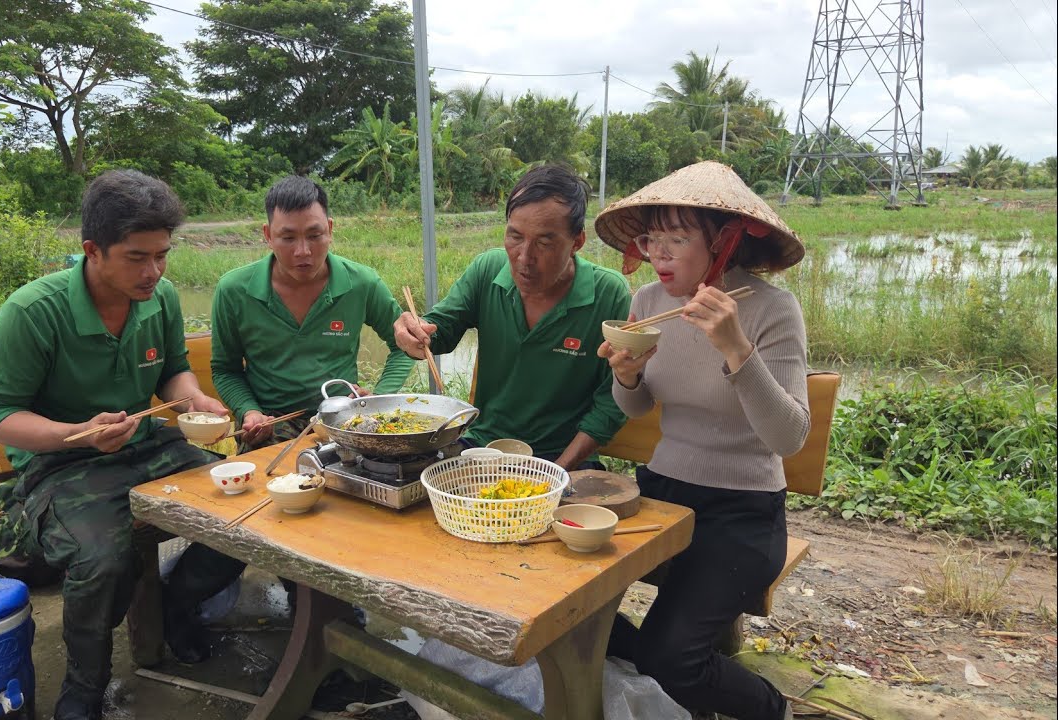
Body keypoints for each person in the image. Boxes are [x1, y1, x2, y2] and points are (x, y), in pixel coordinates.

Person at [0, 170, 246, 720]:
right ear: (92, 251)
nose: (153, 272)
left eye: (162, 255)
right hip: (61, 464)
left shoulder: (160, 298)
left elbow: (172, 372)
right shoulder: (33, 312)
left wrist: (195, 400)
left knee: (248, 507)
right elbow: (0, 418)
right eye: (136, 257)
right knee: (103, 561)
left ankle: (176, 605)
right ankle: (84, 687)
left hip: (144, 444)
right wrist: (76, 433)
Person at [594, 161, 809, 720]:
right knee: (572, 610)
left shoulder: (771, 310)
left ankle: (771, 709)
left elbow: (789, 437)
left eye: (677, 238)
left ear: (725, 241)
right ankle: (657, 679)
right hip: (661, 495)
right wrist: (626, 377)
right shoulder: (649, 302)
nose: (657, 254)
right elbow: (637, 406)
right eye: (651, 238)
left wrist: (736, 348)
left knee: (672, 658)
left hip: (742, 511)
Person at [393, 165, 629, 470]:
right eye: (515, 236)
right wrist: (412, 332)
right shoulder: (487, 270)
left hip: (564, 459)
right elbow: (440, 331)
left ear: (577, 242)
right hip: (483, 447)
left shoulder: (608, 294)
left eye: (544, 242)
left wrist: (556, 470)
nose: (524, 257)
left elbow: (612, 400)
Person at [211, 175, 415, 451]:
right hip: (271, 422)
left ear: (329, 230)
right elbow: (225, 369)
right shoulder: (234, 290)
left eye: (314, 236)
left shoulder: (362, 283)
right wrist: (249, 411)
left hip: (342, 417)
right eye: (288, 238)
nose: (303, 251)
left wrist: (378, 397)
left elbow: (404, 345)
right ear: (268, 235)